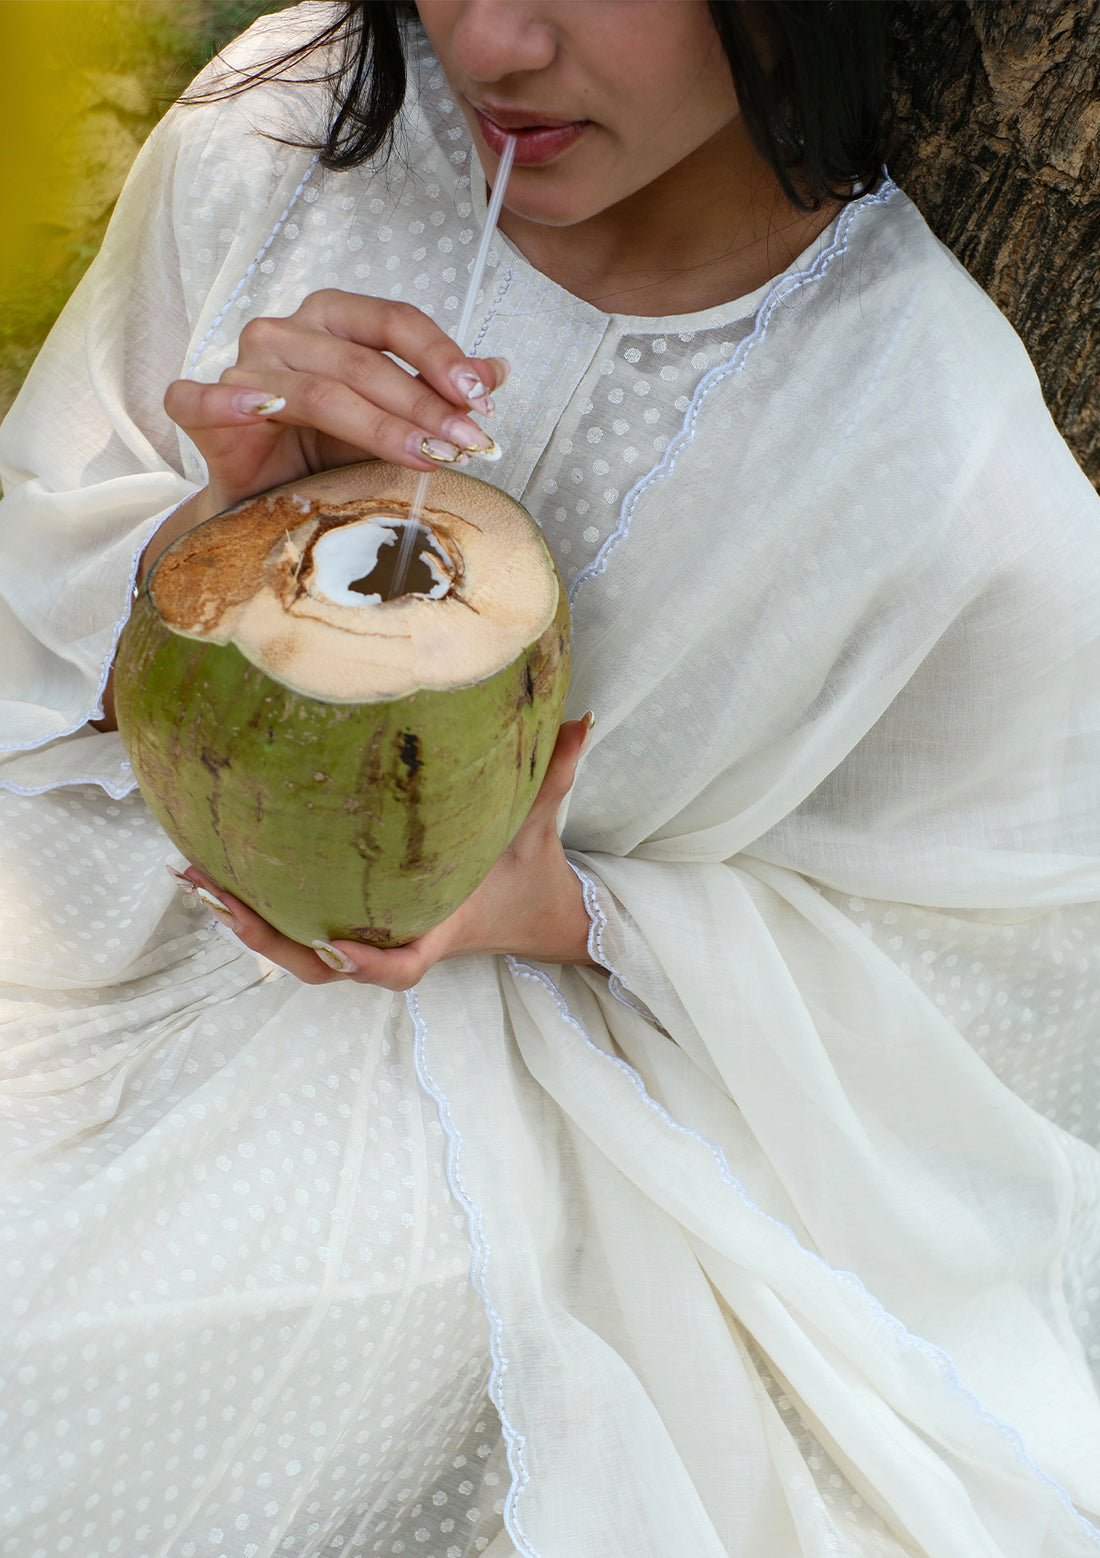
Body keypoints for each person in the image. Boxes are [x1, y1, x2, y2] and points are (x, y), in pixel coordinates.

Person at [1, 2, 1098, 1554]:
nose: (494, 43)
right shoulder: (280, 139)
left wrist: (561, 906)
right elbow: (39, 550)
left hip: (477, 1114)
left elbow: (1010, 972)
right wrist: (219, 541)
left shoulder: (929, 440)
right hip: (94, 872)